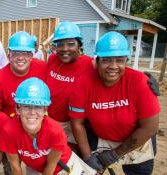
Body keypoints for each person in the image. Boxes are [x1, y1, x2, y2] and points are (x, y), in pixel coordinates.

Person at [69, 32, 160, 175]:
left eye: (119, 60)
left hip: (136, 139)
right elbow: (77, 123)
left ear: (126, 61)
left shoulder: (140, 82)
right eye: (106, 60)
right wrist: (87, 157)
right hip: (101, 138)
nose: (113, 66)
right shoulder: (83, 83)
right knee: (85, 170)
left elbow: (150, 128)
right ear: (96, 61)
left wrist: (114, 154)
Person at [0, 78, 96, 175]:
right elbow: (15, 167)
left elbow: (50, 167)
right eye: (26, 106)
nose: (32, 112)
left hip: (64, 167)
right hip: (36, 167)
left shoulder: (55, 131)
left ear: (45, 109)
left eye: (38, 106)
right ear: (17, 109)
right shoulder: (9, 131)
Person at [45, 21, 94, 146]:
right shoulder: (53, 59)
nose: (65, 49)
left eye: (71, 44)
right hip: (50, 121)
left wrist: (146, 79)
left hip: (74, 125)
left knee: (72, 161)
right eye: (60, 44)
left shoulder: (90, 64)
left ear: (79, 45)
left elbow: (113, 71)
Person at [0, 31, 47, 118]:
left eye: (25, 53)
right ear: (8, 56)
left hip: (38, 121)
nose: (20, 58)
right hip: (11, 125)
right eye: (16, 53)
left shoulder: (42, 68)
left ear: (31, 55)